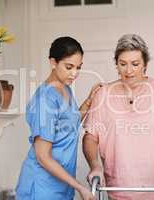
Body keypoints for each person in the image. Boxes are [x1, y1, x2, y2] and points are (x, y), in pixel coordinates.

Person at [82, 34, 154, 200]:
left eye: (135, 64)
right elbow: (90, 138)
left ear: (145, 64)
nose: (129, 70)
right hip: (119, 191)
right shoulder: (103, 94)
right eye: (122, 64)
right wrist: (95, 166)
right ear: (116, 64)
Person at [16, 36, 99, 200]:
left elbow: (69, 123)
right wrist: (79, 187)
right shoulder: (44, 100)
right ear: (53, 62)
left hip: (61, 184)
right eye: (69, 67)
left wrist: (89, 100)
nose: (74, 73)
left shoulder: (65, 89)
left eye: (78, 67)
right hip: (41, 187)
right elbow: (43, 157)